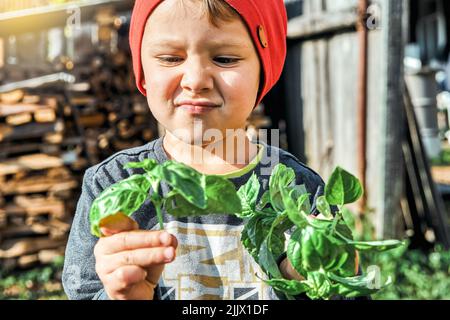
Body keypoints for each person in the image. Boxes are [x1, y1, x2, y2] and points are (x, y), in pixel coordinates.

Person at [62, 0, 337, 300]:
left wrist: (303, 284)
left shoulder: (296, 189)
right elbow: (84, 292)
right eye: (169, 58)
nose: (195, 81)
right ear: (141, 71)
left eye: (225, 59)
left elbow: (344, 289)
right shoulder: (111, 183)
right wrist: (123, 296)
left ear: (263, 71)